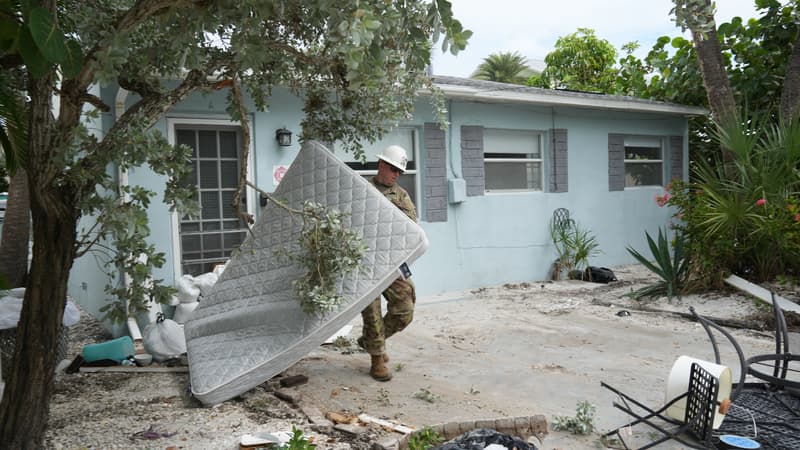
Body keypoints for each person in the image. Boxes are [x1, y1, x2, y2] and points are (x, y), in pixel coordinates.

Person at [359, 144, 417, 381]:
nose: (396, 174)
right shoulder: (363, 189)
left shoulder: (401, 196)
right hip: (363, 263)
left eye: (399, 171)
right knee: (372, 313)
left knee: (405, 309)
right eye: (393, 168)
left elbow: (412, 227)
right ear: (381, 165)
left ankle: (370, 342)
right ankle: (377, 358)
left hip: (390, 261)